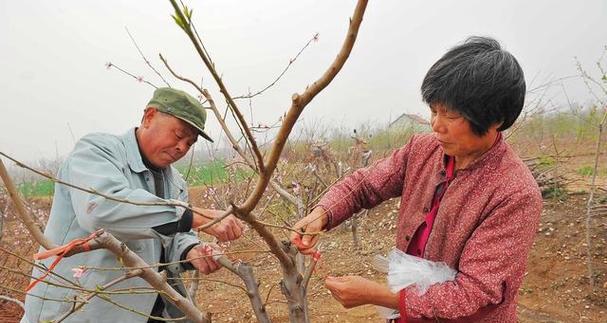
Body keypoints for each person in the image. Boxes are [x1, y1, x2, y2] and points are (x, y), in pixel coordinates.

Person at [291, 36, 542, 322]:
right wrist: (322, 214)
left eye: (450, 115)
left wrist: (377, 296)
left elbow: (474, 293)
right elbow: (366, 185)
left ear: (494, 118)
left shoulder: (514, 193)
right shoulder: (422, 151)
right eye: (434, 111)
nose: (436, 124)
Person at [21, 88, 244, 323]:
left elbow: (173, 234)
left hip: (140, 309)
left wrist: (191, 252)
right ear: (149, 117)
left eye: (189, 143)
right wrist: (196, 216)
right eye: (179, 135)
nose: (182, 147)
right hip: (77, 311)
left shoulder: (175, 182)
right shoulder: (97, 152)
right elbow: (102, 209)